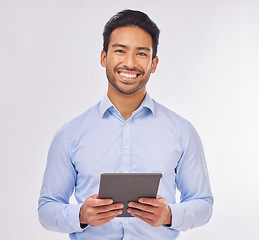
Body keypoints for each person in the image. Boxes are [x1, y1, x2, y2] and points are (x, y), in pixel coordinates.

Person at [38, 9, 213, 240]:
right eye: (120, 51)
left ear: (154, 63)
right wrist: (80, 214)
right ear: (104, 58)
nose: (129, 63)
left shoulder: (182, 132)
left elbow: (204, 204)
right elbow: (46, 208)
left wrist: (169, 214)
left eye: (141, 54)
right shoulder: (70, 134)